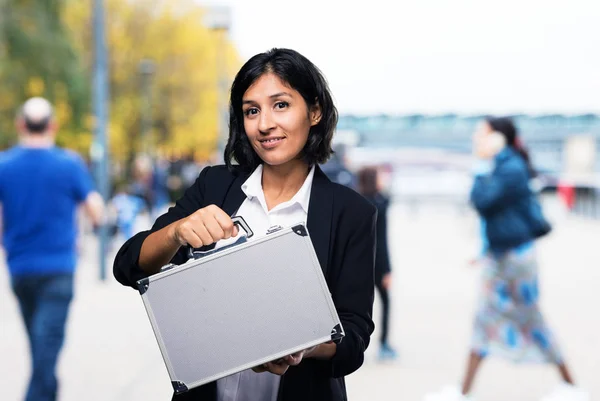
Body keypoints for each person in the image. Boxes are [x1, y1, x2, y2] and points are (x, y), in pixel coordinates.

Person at [113, 48, 377, 401]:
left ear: (314, 111)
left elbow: (354, 337)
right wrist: (177, 232)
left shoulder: (352, 212)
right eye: (252, 111)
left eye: (281, 105)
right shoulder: (215, 186)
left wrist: (306, 345)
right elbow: (127, 266)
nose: (265, 124)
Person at [424, 117, 588, 401]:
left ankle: (571, 386)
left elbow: (483, 201)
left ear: (498, 138)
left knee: (530, 319)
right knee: (488, 320)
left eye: (482, 134)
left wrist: (480, 167)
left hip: (514, 260)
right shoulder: (502, 165)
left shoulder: (510, 167)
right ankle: (463, 391)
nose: (477, 139)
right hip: (502, 257)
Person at [0, 97, 104, 401]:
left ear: (21, 125)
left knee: (40, 349)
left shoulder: (4, 165)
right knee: (45, 355)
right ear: (53, 126)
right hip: (58, 269)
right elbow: (96, 209)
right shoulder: (69, 164)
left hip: (20, 269)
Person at [357, 166, 398, 361]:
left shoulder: (356, 201)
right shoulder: (380, 205)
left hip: (358, 263)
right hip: (378, 264)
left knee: (357, 307)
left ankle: (354, 344)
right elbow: (381, 241)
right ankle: (383, 345)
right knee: (385, 303)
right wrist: (388, 270)